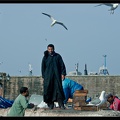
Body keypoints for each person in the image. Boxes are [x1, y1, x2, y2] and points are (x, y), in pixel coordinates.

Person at [41, 44, 66, 109]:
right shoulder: (45, 57)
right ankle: (50, 104)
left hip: (56, 77)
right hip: (48, 77)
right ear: (47, 49)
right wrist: (43, 76)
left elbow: (62, 65)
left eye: (51, 49)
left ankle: (61, 104)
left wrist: (63, 74)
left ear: (53, 49)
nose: (50, 51)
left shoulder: (57, 56)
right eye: (49, 49)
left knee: (59, 90)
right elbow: (43, 67)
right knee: (48, 90)